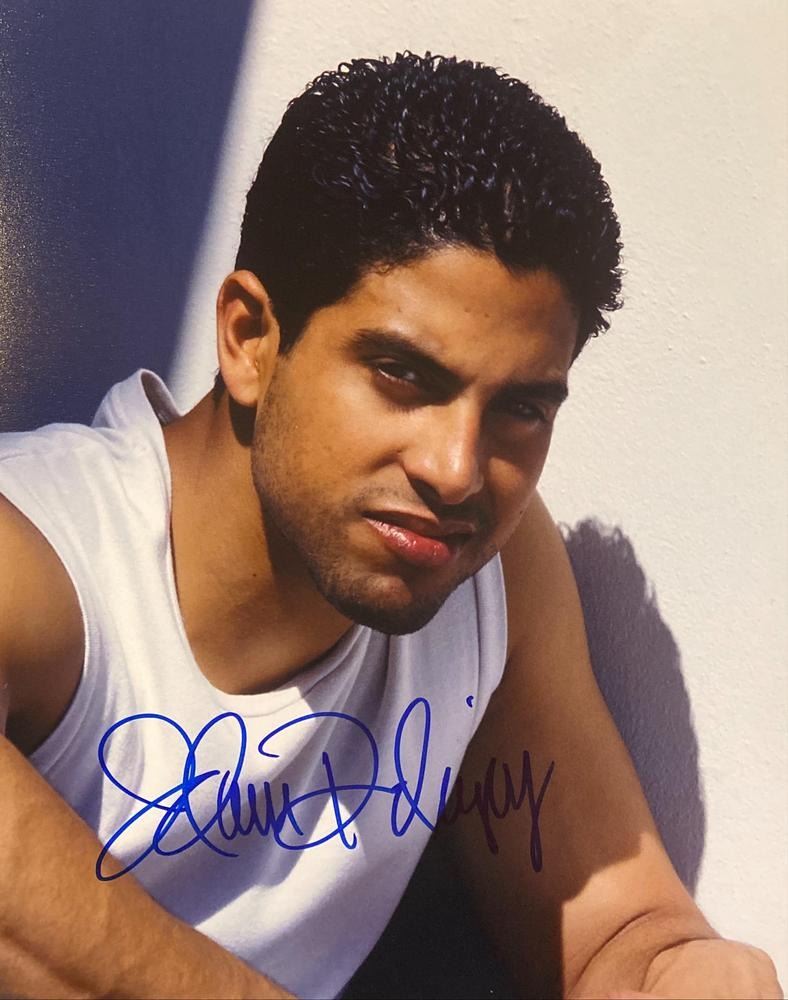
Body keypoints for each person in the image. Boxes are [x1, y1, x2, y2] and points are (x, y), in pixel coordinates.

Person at [0, 52, 780, 1000]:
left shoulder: (491, 576)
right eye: (404, 375)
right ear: (250, 338)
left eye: (521, 409)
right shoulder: (41, 557)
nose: (456, 470)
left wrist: (687, 972)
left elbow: (620, 933)